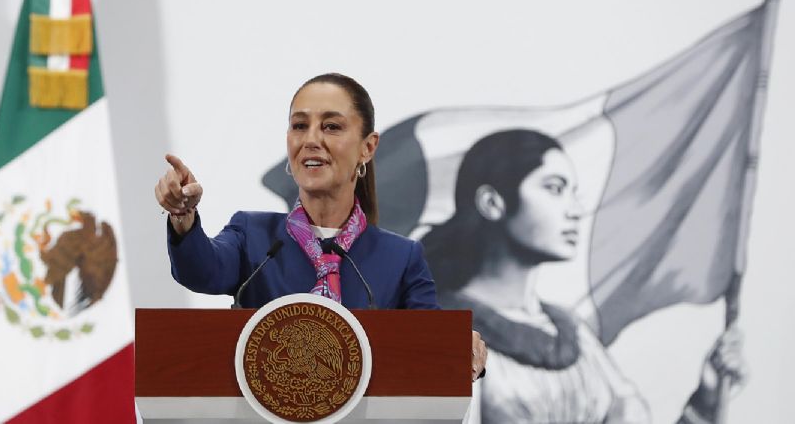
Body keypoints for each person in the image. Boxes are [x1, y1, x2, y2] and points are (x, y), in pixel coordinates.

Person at [155, 72, 488, 378]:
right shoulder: (253, 236)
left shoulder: (401, 258)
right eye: (300, 126)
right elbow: (200, 271)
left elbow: (433, 346)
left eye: (331, 127)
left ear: (368, 147)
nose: (311, 139)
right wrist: (183, 217)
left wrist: (458, 347)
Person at [423, 129, 746, 424]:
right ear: (492, 203)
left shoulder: (573, 334)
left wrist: (704, 401)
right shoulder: (439, 331)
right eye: (554, 189)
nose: (575, 210)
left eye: (573, 192)